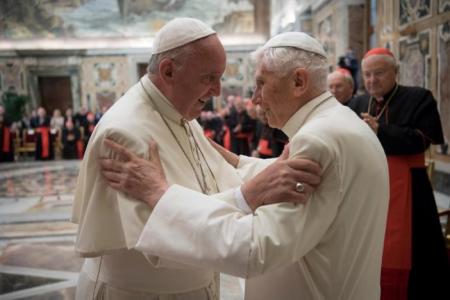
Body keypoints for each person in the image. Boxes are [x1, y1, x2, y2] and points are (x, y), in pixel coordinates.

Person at [100, 32, 390, 299]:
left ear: (299, 82)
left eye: (262, 83)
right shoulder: (342, 122)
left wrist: (160, 195)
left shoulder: (316, 140)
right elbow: (286, 175)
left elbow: (255, 248)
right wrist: (232, 159)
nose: (255, 99)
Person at [72, 18, 321, 300]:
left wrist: (276, 171)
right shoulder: (124, 132)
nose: (217, 91)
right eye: (208, 78)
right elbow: (160, 241)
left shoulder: (183, 115)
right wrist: (251, 194)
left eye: (219, 78)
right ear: (168, 71)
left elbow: (219, 182)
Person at [348, 47, 450, 300]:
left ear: (395, 71)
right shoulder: (358, 103)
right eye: (367, 75)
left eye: (379, 73)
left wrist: (380, 130)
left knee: (414, 253)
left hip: (410, 190)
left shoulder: (419, 98)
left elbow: (422, 140)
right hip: (367, 188)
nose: (372, 80)